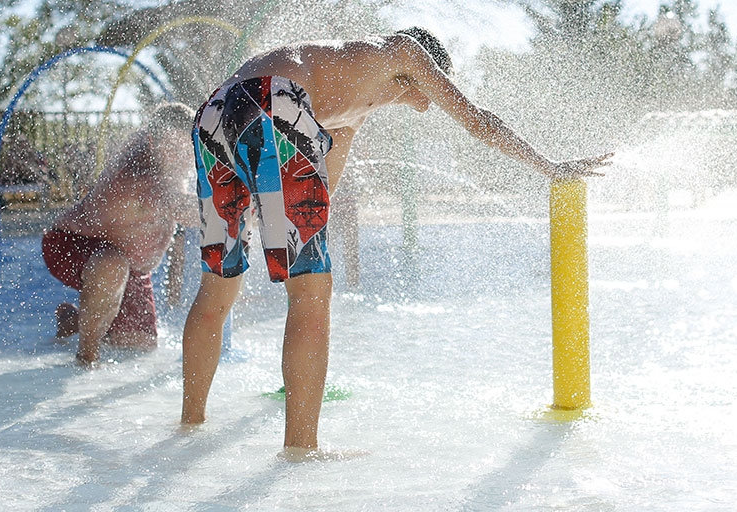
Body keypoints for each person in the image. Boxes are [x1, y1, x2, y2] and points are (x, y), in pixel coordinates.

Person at [181, 27, 611, 458]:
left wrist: (285, 221)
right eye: (428, 92)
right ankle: (301, 450)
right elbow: (477, 120)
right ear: (420, 75)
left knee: (218, 283)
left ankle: (190, 425)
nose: (426, 105)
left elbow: (317, 199)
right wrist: (547, 165)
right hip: (274, 103)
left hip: (215, 113)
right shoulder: (402, 50)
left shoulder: (346, 102)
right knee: (311, 291)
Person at [43, 103, 197, 366]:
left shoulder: (165, 160)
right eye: (174, 148)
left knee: (138, 344)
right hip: (72, 244)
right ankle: (87, 357)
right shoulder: (135, 173)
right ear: (152, 141)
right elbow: (188, 211)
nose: (184, 158)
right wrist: (240, 202)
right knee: (110, 264)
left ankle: (74, 319)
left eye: (188, 148)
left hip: (130, 263)